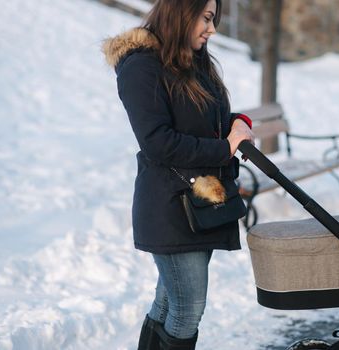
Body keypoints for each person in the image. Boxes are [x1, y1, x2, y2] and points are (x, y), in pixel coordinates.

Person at [102, 0, 254, 349]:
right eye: (206, 18)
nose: (211, 29)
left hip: (201, 202)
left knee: (169, 301)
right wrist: (224, 149)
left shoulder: (192, 61)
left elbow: (207, 119)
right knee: (188, 308)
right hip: (171, 206)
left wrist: (237, 123)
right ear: (181, 12)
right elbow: (157, 142)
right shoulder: (140, 67)